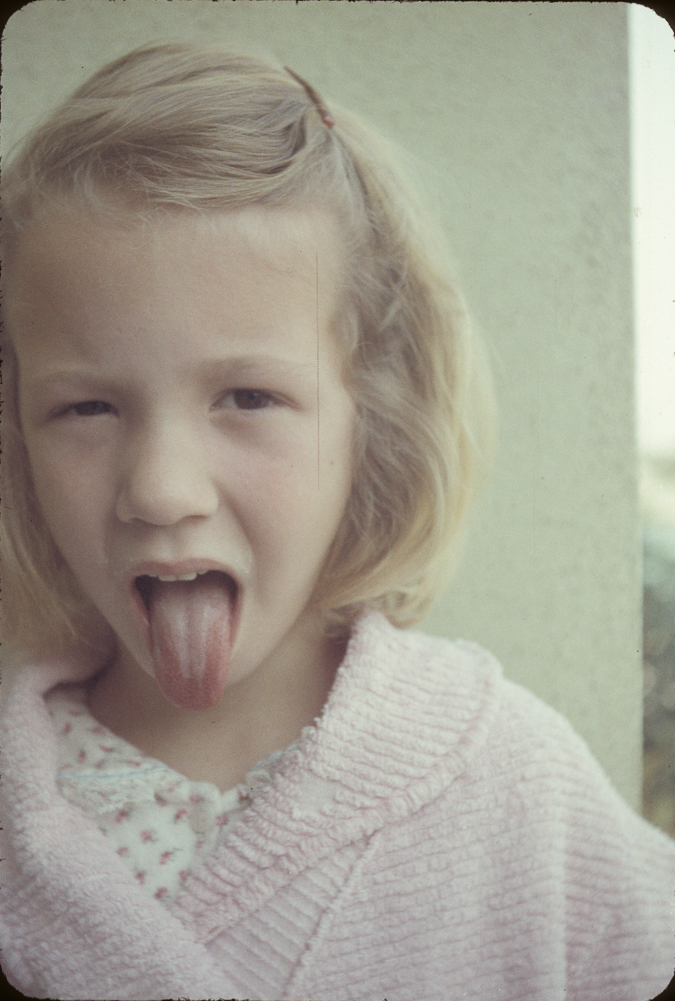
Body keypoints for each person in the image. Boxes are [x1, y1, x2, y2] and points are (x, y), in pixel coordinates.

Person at [0, 43, 673, 1001]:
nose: (161, 489)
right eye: (87, 408)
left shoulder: (513, 783)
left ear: (374, 421)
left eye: (247, 396)